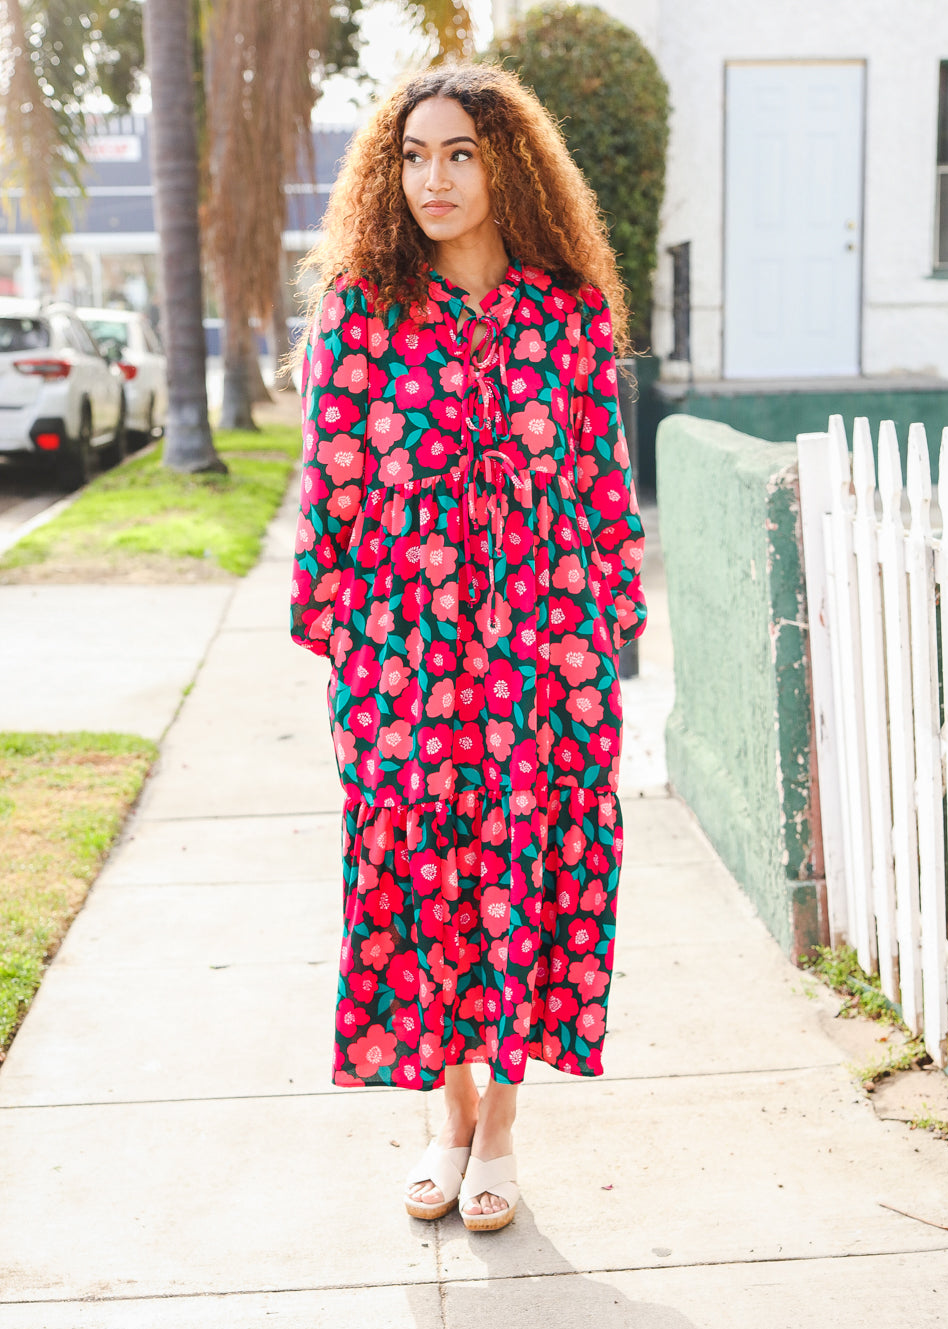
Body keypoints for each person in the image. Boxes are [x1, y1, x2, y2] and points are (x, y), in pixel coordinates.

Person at [291, 63, 646, 1232]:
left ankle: (500, 1124)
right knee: (417, 874)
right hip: (402, 649)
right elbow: (330, 480)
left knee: (531, 870)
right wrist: (340, 633)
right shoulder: (362, 308)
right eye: (411, 156)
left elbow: (601, 485)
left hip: (546, 648)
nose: (431, 179)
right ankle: (447, 1115)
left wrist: (608, 633)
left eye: (458, 154)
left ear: (509, 167)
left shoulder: (569, 314)